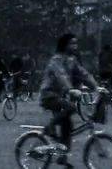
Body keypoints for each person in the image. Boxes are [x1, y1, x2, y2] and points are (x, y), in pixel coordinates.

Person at [40, 33, 99, 168]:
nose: (75, 46)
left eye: (76, 43)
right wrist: (70, 89)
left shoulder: (72, 60)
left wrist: (96, 87)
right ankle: (50, 126)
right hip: (49, 95)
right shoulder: (56, 60)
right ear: (65, 45)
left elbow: (83, 74)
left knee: (68, 126)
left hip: (59, 96)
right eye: (72, 43)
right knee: (71, 107)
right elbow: (61, 76)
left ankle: (62, 157)